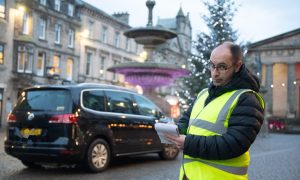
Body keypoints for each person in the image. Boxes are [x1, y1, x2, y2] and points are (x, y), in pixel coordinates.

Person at [165, 41, 264, 180]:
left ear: (237, 66)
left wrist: (188, 143)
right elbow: (186, 121)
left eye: (222, 67)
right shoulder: (203, 93)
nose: (215, 73)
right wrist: (174, 131)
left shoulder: (247, 99)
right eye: (212, 65)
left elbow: (235, 144)